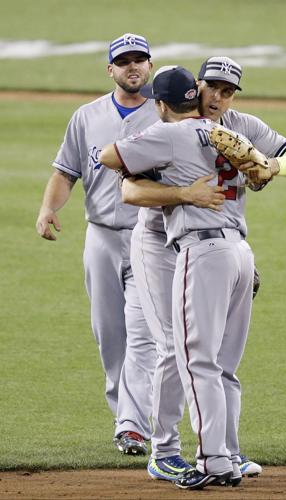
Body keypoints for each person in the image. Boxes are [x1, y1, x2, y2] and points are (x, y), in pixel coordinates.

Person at [100, 64, 286, 490]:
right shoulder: (213, 135)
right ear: (196, 91)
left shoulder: (208, 128)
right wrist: (186, 193)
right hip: (179, 245)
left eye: (227, 91)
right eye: (211, 88)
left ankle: (220, 454)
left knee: (206, 359)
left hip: (207, 248)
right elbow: (129, 191)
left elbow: (108, 158)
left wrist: (268, 165)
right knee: (179, 350)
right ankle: (169, 451)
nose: (218, 96)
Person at [35, 33, 225, 455]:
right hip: (100, 237)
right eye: (124, 62)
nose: (133, 67)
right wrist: (49, 208)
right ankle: (126, 418)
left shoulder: (168, 117)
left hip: (152, 237)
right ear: (111, 69)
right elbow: (65, 172)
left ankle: (132, 426)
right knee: (110, 335)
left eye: (140, 60)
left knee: (143, 333)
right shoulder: (86, 117)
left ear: (150, 67)